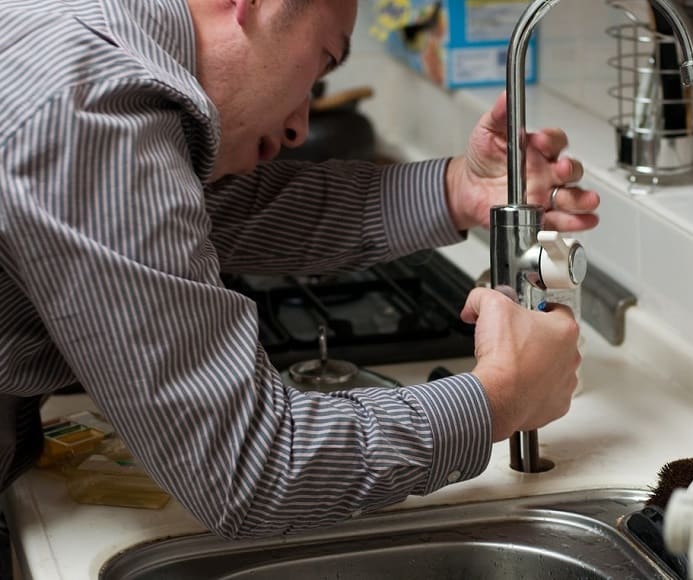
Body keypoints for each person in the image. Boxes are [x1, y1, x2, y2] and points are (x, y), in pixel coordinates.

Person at [0, 0, 600, 569]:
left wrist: (457, 190)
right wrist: (499, 397)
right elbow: (251, 469)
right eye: (321, 64)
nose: (298, 129)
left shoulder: (85, 43)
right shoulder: (91, 106)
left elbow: (212, 213)